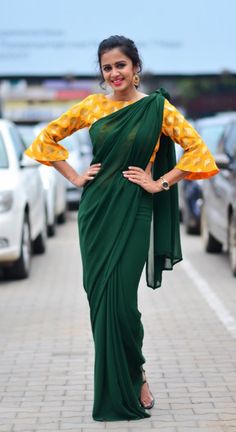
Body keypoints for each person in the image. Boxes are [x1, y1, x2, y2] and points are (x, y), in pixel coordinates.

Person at [25, 35, 219, 422]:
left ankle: (135, 374)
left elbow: (198, 151)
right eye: (107, 67)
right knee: (100, 301)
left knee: (122, 302)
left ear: (135, 68)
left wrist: (159, 182)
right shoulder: (92, 107)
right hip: (96, 212)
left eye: (120, 65)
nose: (114, 73)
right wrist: (75, 178)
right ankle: (128, 377)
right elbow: (45, 140)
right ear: (102, 72)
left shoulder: (157, 108)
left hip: (134, 210)